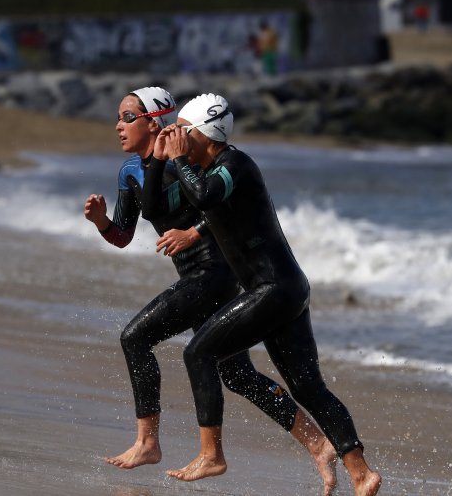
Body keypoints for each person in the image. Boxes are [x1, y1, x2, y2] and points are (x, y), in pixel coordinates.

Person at [84, 87, 336, 494]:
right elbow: (124, 234)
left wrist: (193, 231)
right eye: (118, 117)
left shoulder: (182, 162)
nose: (118, 125)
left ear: (154, 122)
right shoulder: (131, 171)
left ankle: (149, 443)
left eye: (128, 117)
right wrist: (100, 222)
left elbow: (218, 203)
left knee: (136, 337)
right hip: (193, 276)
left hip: (214, 271)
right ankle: (318, 444)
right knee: (236, 373)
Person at [150, 94, 381, 495]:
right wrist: (192, 227)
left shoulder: (235, 164)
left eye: (184, 130)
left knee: (198, 353)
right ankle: (362, 475)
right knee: (308, 387)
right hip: (284, 289)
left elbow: (207, 196)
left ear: (205, 134)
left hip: (274, 289)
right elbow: (211, 208)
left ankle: (212, 455)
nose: (177, 136)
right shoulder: (214, 170)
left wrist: (177, 160)